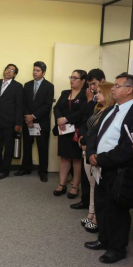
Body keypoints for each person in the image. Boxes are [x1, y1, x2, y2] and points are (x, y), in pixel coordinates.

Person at [84, 73, 133, 264]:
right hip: (101, 168)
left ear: (129, 89)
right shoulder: (110, 110)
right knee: (102, 206)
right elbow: (93, 135)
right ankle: (104, 240)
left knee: (116, 211)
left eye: (117, 86)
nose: (112, 88)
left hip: (118, 170)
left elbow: (128, 149)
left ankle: (117, 249)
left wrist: (101, 159)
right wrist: (91, 154)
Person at [78, 81, 115, 233]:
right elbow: (89, 128)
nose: (96, 94)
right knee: (92, 184)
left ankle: (96, 217)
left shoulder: (111, 111)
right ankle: (91, 213)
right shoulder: (98, 109)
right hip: (88, 150)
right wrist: (83, 139)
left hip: (96, 152)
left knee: (96, 185)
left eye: (99, 92)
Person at [71, 68, 106, 209]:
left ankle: (93, 208)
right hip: (86, 139)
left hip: (96, 145)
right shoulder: (92, 96)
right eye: (90, 84)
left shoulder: (105, 97)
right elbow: (86, 119)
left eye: (94, 84)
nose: (91, 87)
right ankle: (86, 201)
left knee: (94, 179)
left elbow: (97, 121)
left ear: (102, 81)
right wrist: (82, 137)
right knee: (87, 177)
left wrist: (91, 101)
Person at [14, 61, 54, 182]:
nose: (34, 72)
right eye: (34, 70)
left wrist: (34, 116)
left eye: (37, 70)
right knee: (27, 146)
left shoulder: (49, 86)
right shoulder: (27, 85)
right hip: (27, 121)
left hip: (41, 122)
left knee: (42, 147)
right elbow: (23, 103)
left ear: (43, 72)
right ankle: (26, 168)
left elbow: (47, 105)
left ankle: (43, 172)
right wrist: (28, 117)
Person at [52, 69, 87, 198]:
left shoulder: (86, 95)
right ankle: (62, 184)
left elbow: (83, 112)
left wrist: (67, 119)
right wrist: (60, 119)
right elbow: (57, 108)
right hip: (64, 130)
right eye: (71, 77)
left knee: (76, 159)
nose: (71, 80)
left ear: (83, 81)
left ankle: (75, 186)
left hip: (76, 131)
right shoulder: (65, 92)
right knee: (64, 157)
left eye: (75, 78)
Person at [0, 64, 23, 180]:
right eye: (8, 69)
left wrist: (18, 123)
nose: (9, 72)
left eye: (12, 71)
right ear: (4, 71)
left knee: (8, 148)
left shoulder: (17, 86)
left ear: (14, 74)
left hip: (9, 122)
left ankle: (5, 170)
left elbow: (19, 106)